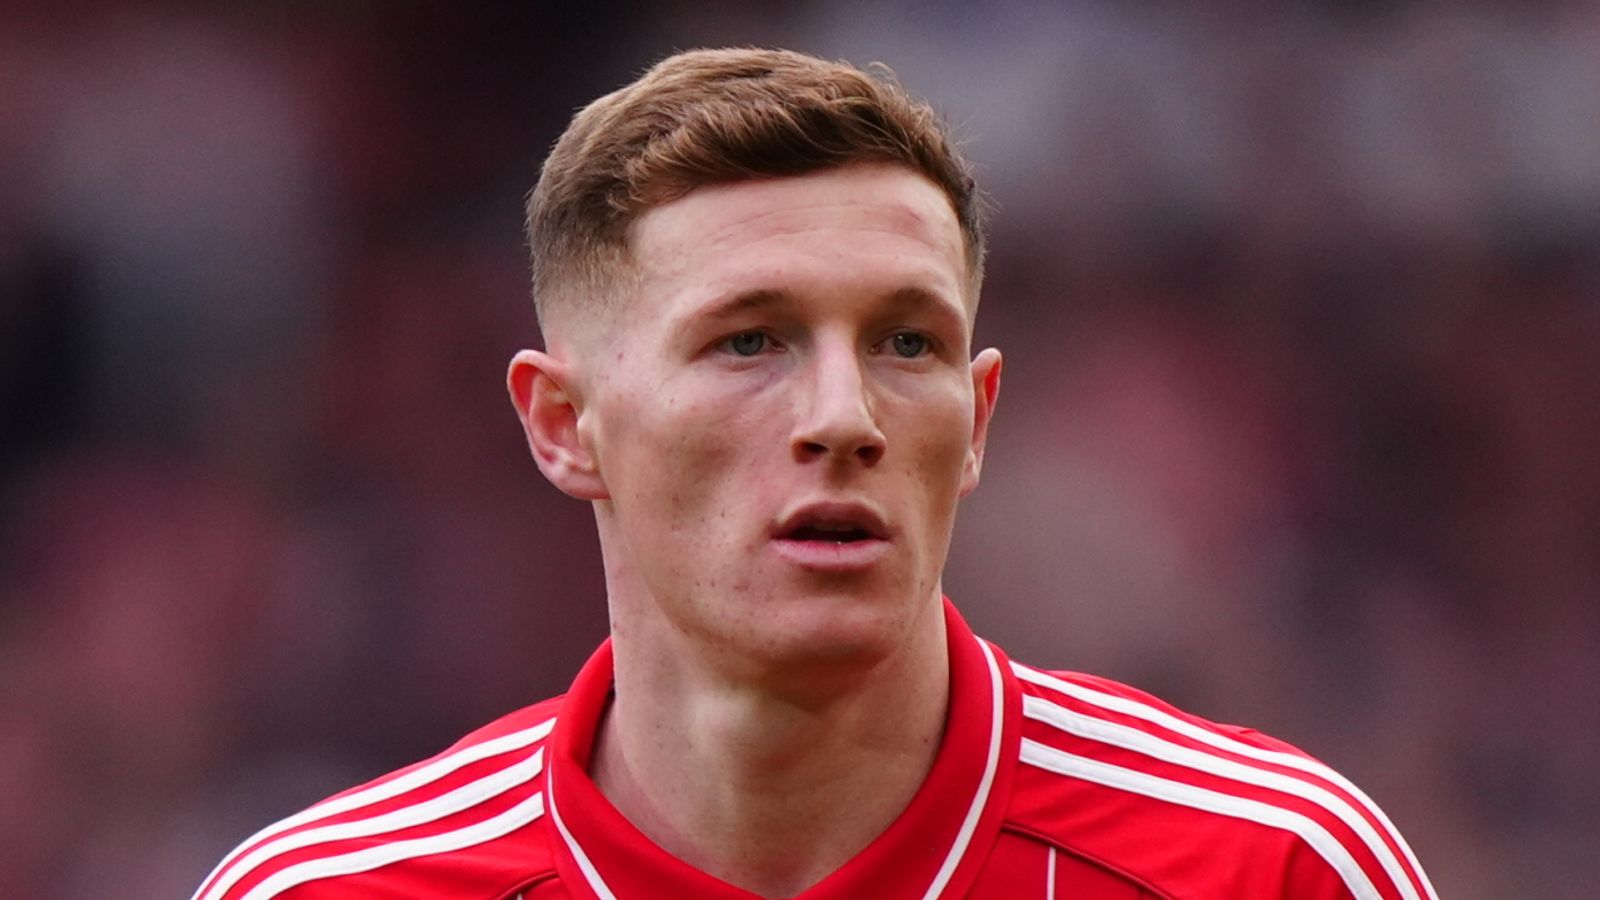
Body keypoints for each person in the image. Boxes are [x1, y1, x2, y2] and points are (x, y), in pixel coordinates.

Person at [193, 47, 1436, 900]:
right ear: (565, 424)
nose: (844, 417)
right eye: (749, 342)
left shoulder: (1270, 867)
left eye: (907, 342)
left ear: (979, 416)